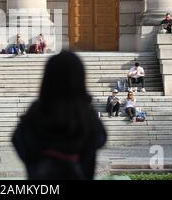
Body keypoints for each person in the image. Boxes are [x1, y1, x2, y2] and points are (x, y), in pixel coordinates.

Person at [12, 50, 107, 180]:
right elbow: (100, 138)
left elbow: (19, 139)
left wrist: (35, 161)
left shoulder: (37, 110)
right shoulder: (85, 112)